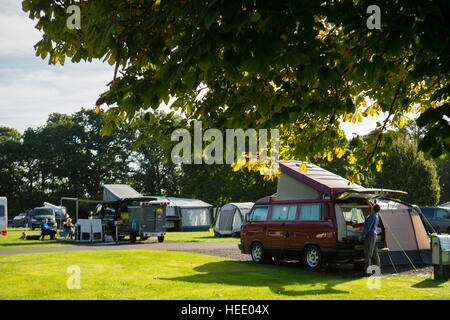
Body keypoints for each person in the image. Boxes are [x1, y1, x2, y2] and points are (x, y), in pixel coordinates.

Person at [358, 202, 381, 276]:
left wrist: (362, 235)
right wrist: (368, 201)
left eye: (372, 206)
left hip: (370, 236)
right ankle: (377, 270)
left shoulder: (371, 216)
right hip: (374, 235)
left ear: (374, 209)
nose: (371, 207)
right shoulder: (376, 215)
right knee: (374, 253)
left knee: (368, 254)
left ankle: (368, 272)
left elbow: (368, 227)